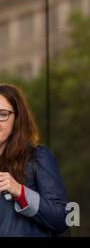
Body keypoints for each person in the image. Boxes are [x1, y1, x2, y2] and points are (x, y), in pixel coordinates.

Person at [0, 83, 69, 237]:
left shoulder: (37, 158)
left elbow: (64, 218)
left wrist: (20, 191)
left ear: (17, 119)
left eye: (2, 114)